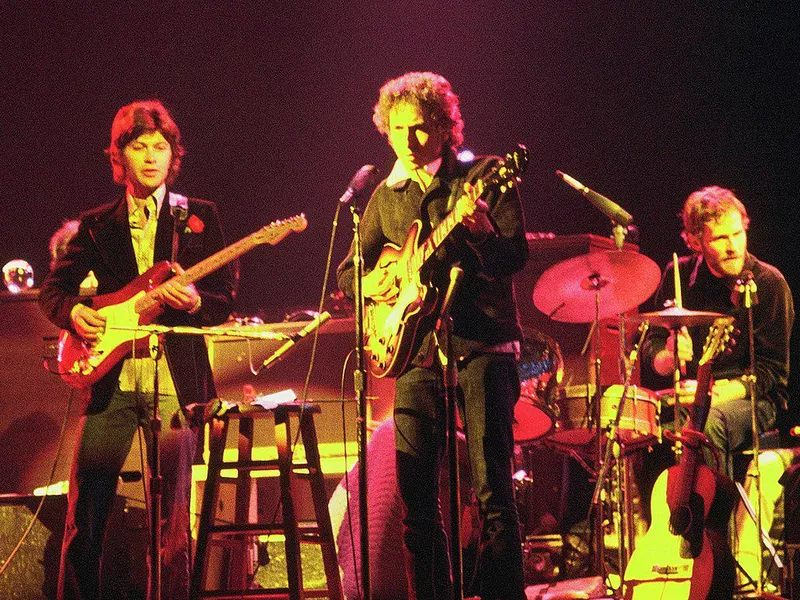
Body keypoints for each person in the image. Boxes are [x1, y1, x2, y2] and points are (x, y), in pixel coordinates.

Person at [336, 72, 528, 600]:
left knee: (493, 493)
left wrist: (483, 233)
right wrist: (375, 280)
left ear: (445, 128)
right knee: (417, 499)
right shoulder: (384, 196)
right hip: (417, 353)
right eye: (398, 130)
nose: (409, 141)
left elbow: (514, 256)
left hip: (482, 344)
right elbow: (349, 274)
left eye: (421, 129)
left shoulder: (484, 175)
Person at [39, 99, 235, 600]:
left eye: (160, 147)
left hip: (175, 383)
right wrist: (75, 314)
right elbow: (53, 292)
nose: (151, 156)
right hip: (111, 379)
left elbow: (224, 302)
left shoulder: (198, 216)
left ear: (174, 156)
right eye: (139, 147)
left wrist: (193, 302)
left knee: (173, 525)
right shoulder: (96, 223)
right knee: (87, 517)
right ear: (119, 157)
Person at [644, 185, 794, 591]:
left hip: (753, 399)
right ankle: (656, 540)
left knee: (708, 425)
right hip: (695, 395)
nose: (733, 247)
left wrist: (713, 394)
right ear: (695, 241)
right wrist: (668, 355)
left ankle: (711, 548)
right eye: (719, 238)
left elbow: (771, 372)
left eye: (738, 234)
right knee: (644, 429)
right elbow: (651, 352)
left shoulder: (768, 284)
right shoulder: (680, 280)